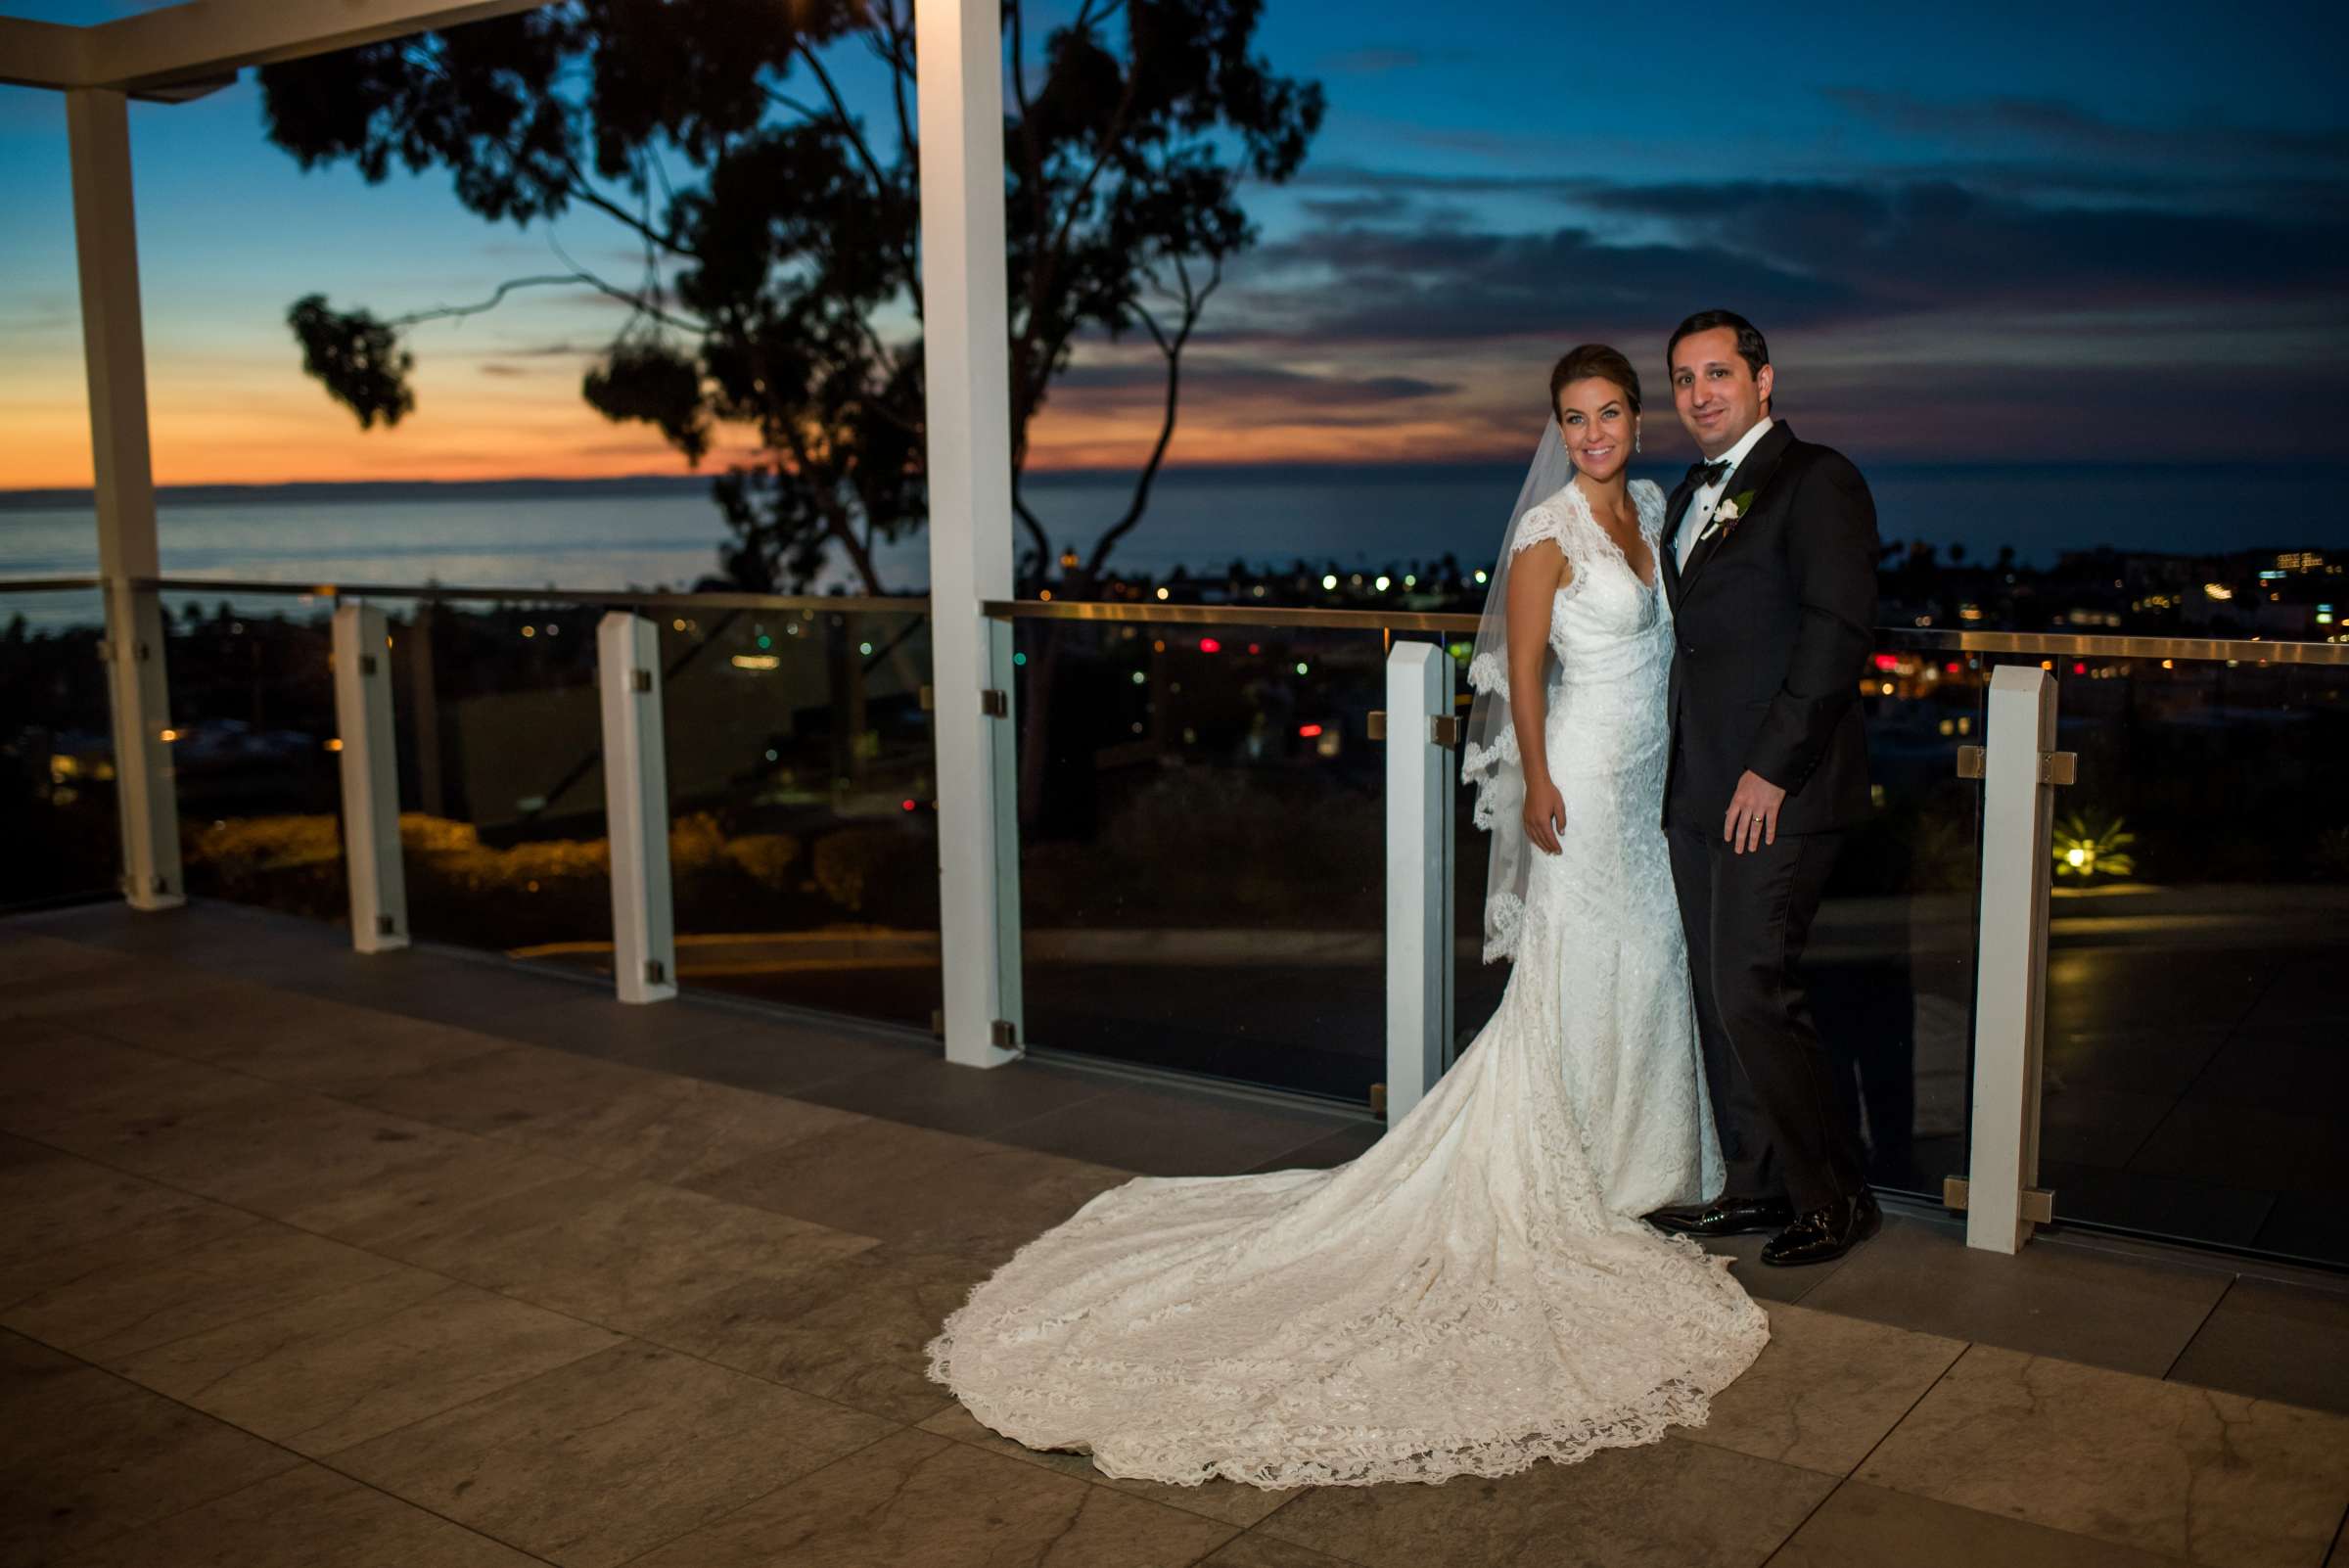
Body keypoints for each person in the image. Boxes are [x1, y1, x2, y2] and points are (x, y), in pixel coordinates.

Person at [926, 344, 1767, 1491]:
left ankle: (1632, 1164)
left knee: (1644, 966)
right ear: (1558, 432)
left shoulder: (1655, 510)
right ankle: (1568, 1180)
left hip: (1645, 784)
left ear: (1635, 417)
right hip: (1579, 783)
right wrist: (1537, 782)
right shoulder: (1546, 535)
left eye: (1608, 413)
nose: (1593, 436)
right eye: (1572, 420)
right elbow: (1521, 674)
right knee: (1574, 971)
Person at [1646, 309, 1883, 1267]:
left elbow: (1836, 637)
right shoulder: (1681, 496)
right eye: (1683, 378)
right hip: (1697, 791)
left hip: (1777, 794)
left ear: (1763, 380)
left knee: (1754, 988)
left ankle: (1835, 1197)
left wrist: (1770, 769)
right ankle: (1754, 1186)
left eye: (1718, 374)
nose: (1700, 393)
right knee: (1715, 991)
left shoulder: (1818, 481)